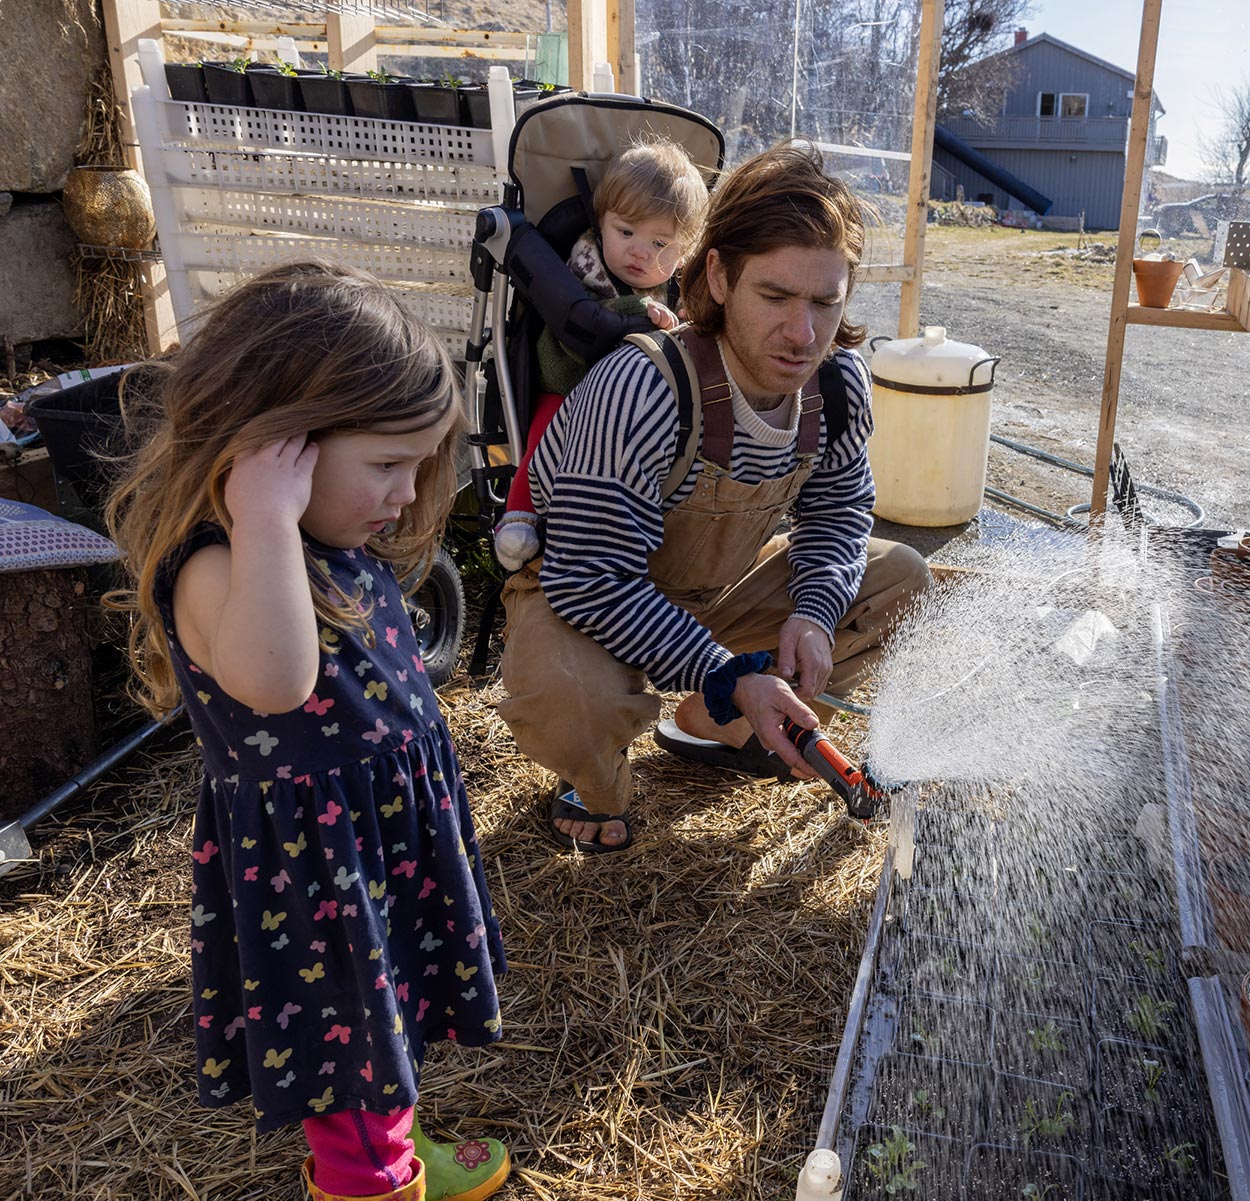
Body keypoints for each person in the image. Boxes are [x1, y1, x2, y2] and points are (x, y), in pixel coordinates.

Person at [107, 263, 510, 1201]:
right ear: (272, 450)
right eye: (385, 464)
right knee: (353, 1067)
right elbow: (279, 681)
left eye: (415, 466)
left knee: (382, 1036)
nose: (407, 494)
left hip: (373, 846)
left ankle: (398, 1157)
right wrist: (264, 520)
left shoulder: (320, 543)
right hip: (315, 872)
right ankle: (377, 1184)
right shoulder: (221, 564)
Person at [497, 142, 931, 853]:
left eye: (826, 301)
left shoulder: (837, 388)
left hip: (712, 588)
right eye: (776, 296)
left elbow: (840, 511)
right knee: (572, 701)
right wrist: (722, 666)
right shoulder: (642, 386)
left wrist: (816, 615)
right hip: (584, 591)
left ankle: (714, 723)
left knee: (901, 580)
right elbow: (590, 579)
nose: (804, 332)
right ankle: (594, 780)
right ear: (721, 276)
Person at [493, 139, 709, 571]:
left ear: (685, 250)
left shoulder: (671, 282)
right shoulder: (588, 257)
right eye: (625, 232)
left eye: (661, 243)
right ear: (601, 221)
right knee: (544, 427)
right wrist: (640, 312)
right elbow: (589, 315)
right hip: (566, 374)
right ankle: (519, 514)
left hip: (628, 398)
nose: (640, 252)